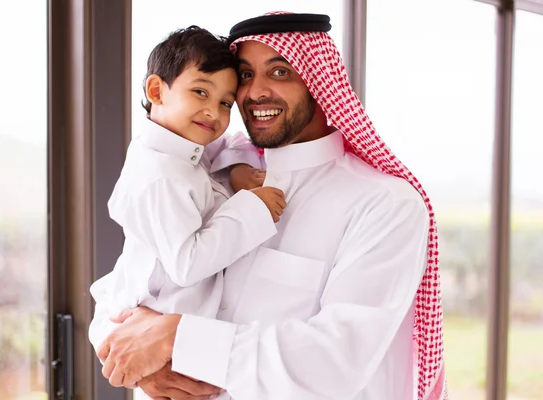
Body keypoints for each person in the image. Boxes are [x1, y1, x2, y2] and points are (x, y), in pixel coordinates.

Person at [95, 12, 448, 400]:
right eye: (245, 75)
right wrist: (129, 350)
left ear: (319, 83)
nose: (256, 92)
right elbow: (128, 278)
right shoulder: (214, 170)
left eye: (279, 72)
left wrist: (174, 340)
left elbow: (335, 360)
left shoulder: (384, 204)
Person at [88, 26, 286, 360]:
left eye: (225, 102)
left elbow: (228, 145)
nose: (214, 112)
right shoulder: (161, 173)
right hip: (164, 332)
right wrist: (252, 208)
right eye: (200, 92)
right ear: (157, 90)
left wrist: (236, 169)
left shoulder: (182, 149)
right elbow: (187, 264)